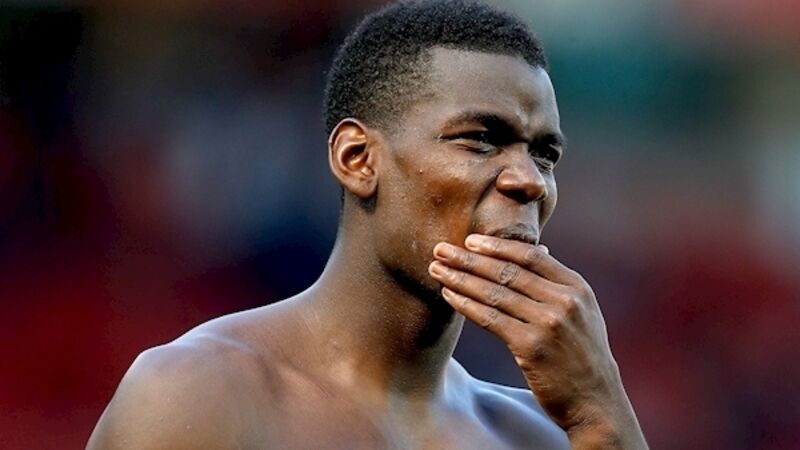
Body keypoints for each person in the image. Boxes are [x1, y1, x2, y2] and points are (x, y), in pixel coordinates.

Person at [87, 1, 648, 448]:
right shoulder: (198, 394)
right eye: (481, 139)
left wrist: (601, 413)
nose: (530, 181)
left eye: (545, 154)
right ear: (357, 159)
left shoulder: (539, 434)